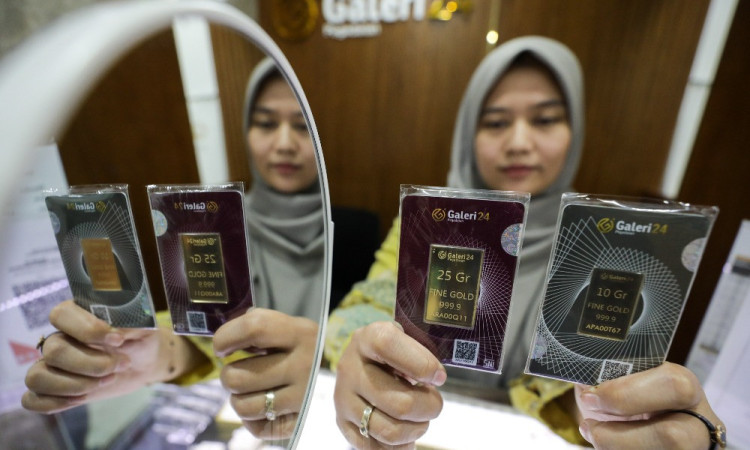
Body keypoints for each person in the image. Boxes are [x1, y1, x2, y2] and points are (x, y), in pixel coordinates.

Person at [326, 36, 725, 449]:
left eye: (545, 119)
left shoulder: (599, 240)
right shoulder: (429, 222)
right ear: (468, 133)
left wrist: (612, 407)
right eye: (496, 123)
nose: (519, 142)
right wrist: (367, 352)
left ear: (574, 131)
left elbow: (582, 378)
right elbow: (364, 310)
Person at [22, 58, 324, 441]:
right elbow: (198, 324)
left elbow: (360, 320)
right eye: (265, 123)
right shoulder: (216, 225)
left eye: (302, 126)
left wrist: (321, 360)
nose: (284, 144)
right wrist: (153, 350)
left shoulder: (353, 231)